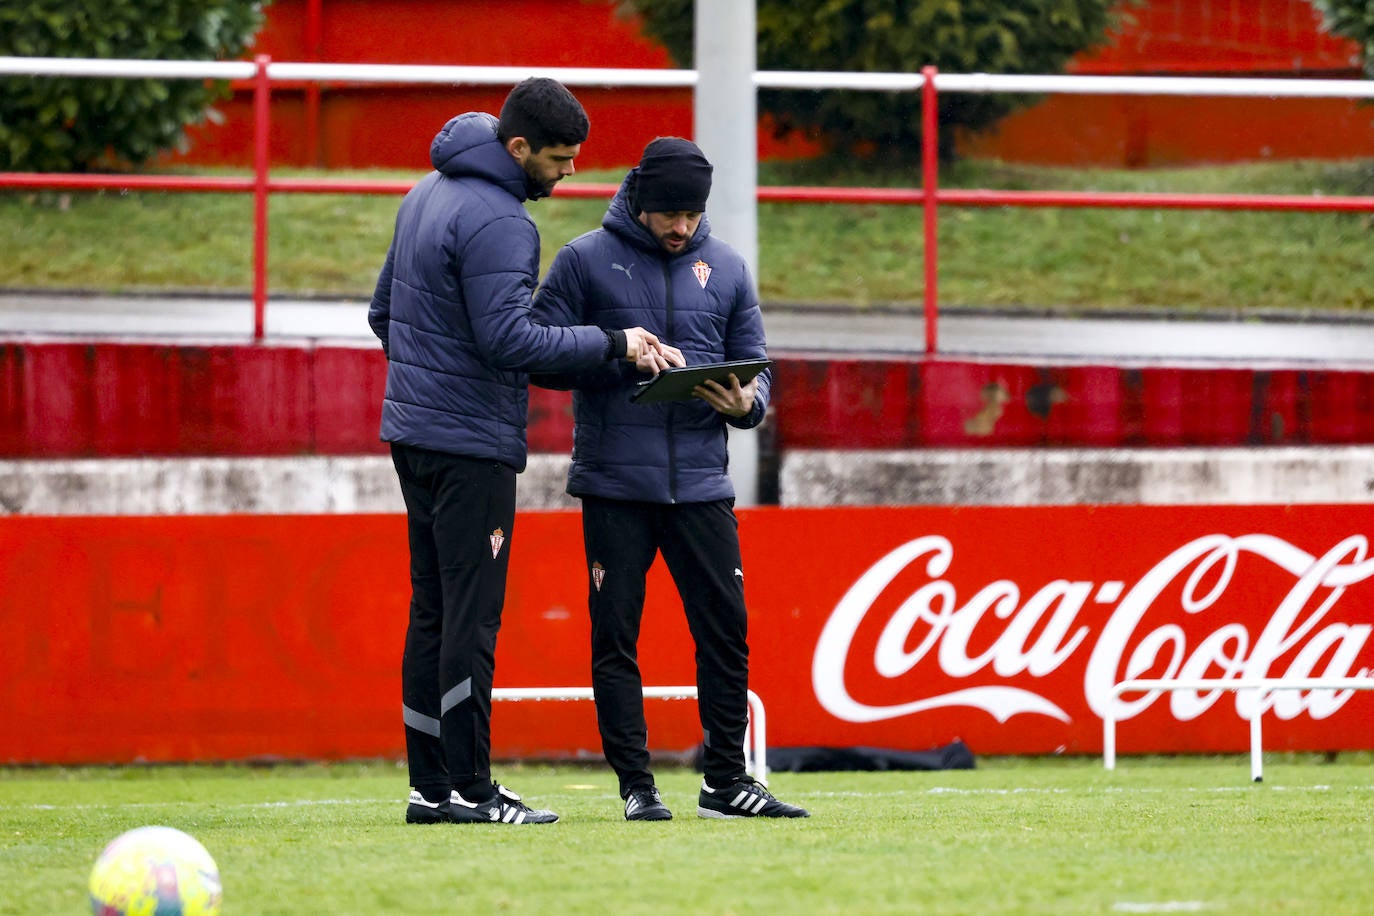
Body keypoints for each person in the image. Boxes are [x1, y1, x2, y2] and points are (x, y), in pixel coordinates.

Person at [368, 79, 673, 826]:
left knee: (433, 613)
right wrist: (616, 343)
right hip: (468, 445)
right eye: (560, 160)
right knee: (471, 620)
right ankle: (473, 790)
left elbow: (382, 313)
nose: (569, 175)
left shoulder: (424, 193)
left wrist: (432, 377)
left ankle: (429, 789)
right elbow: (509, 340)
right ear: (518, 149)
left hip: (412, 434)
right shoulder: (502, 221)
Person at [532, 137, 809, 821]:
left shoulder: (729, 267)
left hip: (703, 486)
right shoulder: (583, 259)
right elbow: (535, 351)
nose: (681, 227)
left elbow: (757, 365)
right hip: (615, 485)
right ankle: (637, 788)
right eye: (668, 214)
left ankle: (726, 783)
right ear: (639, 201)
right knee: (616, 637)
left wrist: (749, 404)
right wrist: (617, 354)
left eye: (692, 214)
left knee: (725, 630)